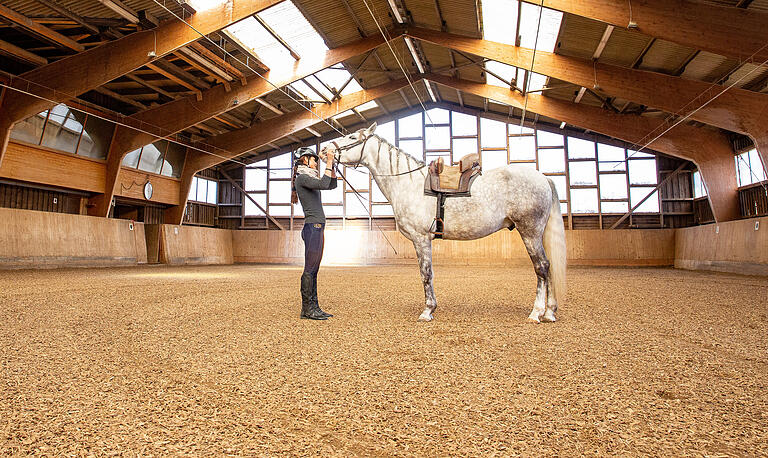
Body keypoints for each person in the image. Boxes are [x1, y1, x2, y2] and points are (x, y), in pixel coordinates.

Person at [290, 147, 338, 320]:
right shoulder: (303, 178)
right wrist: (330, 160)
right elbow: (325, 184)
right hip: (313, 227)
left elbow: (332, 184)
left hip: (316, 227)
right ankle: (307, 309)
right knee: (310, 269)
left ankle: (313, 306)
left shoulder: (309, 178)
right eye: (313, 159)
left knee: (314, 269)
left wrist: (331, 165)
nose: (316, 162)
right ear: (304, 160)